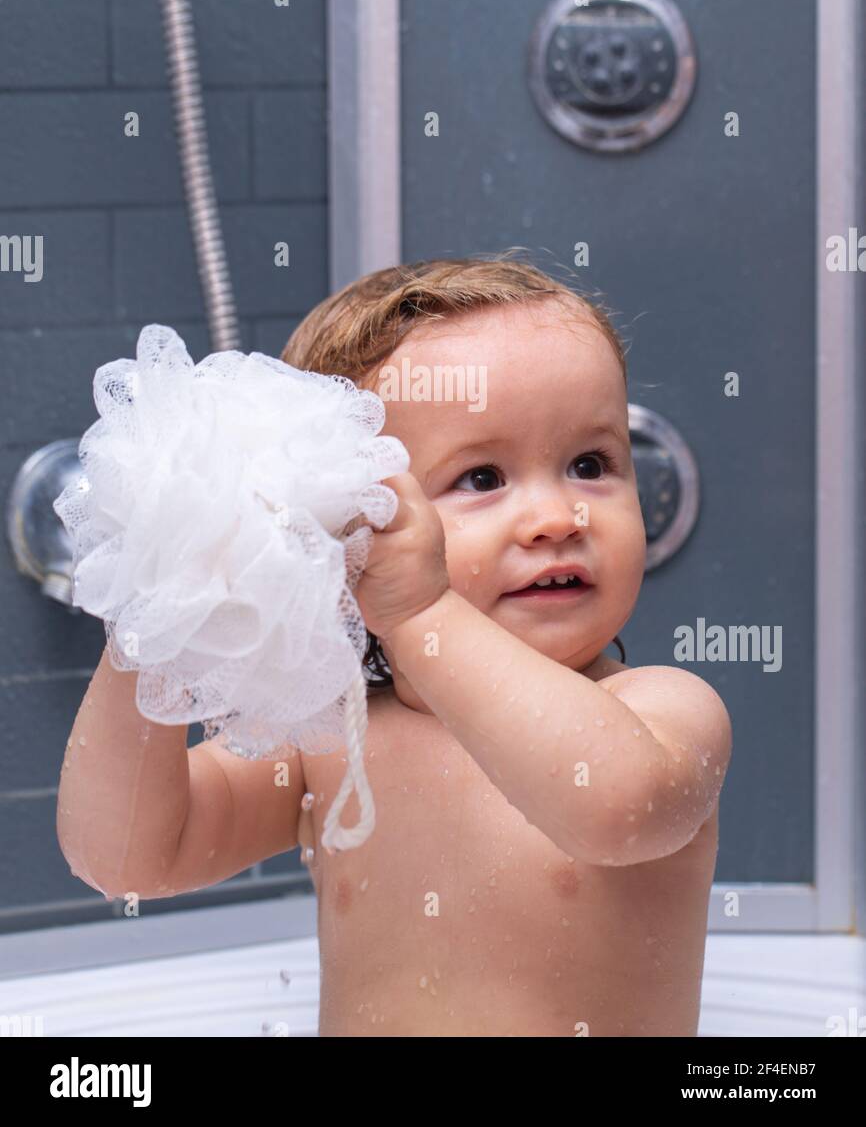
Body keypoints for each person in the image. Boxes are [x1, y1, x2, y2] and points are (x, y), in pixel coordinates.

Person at [57, 251, 732, 1037]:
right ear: (346, 528)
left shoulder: (661, 711)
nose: (556, 516)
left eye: (590, 464)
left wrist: (421, 612)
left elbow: (616, 810)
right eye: (482, 477)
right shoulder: (330, 741)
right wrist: (153, 619)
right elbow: (128, 859)